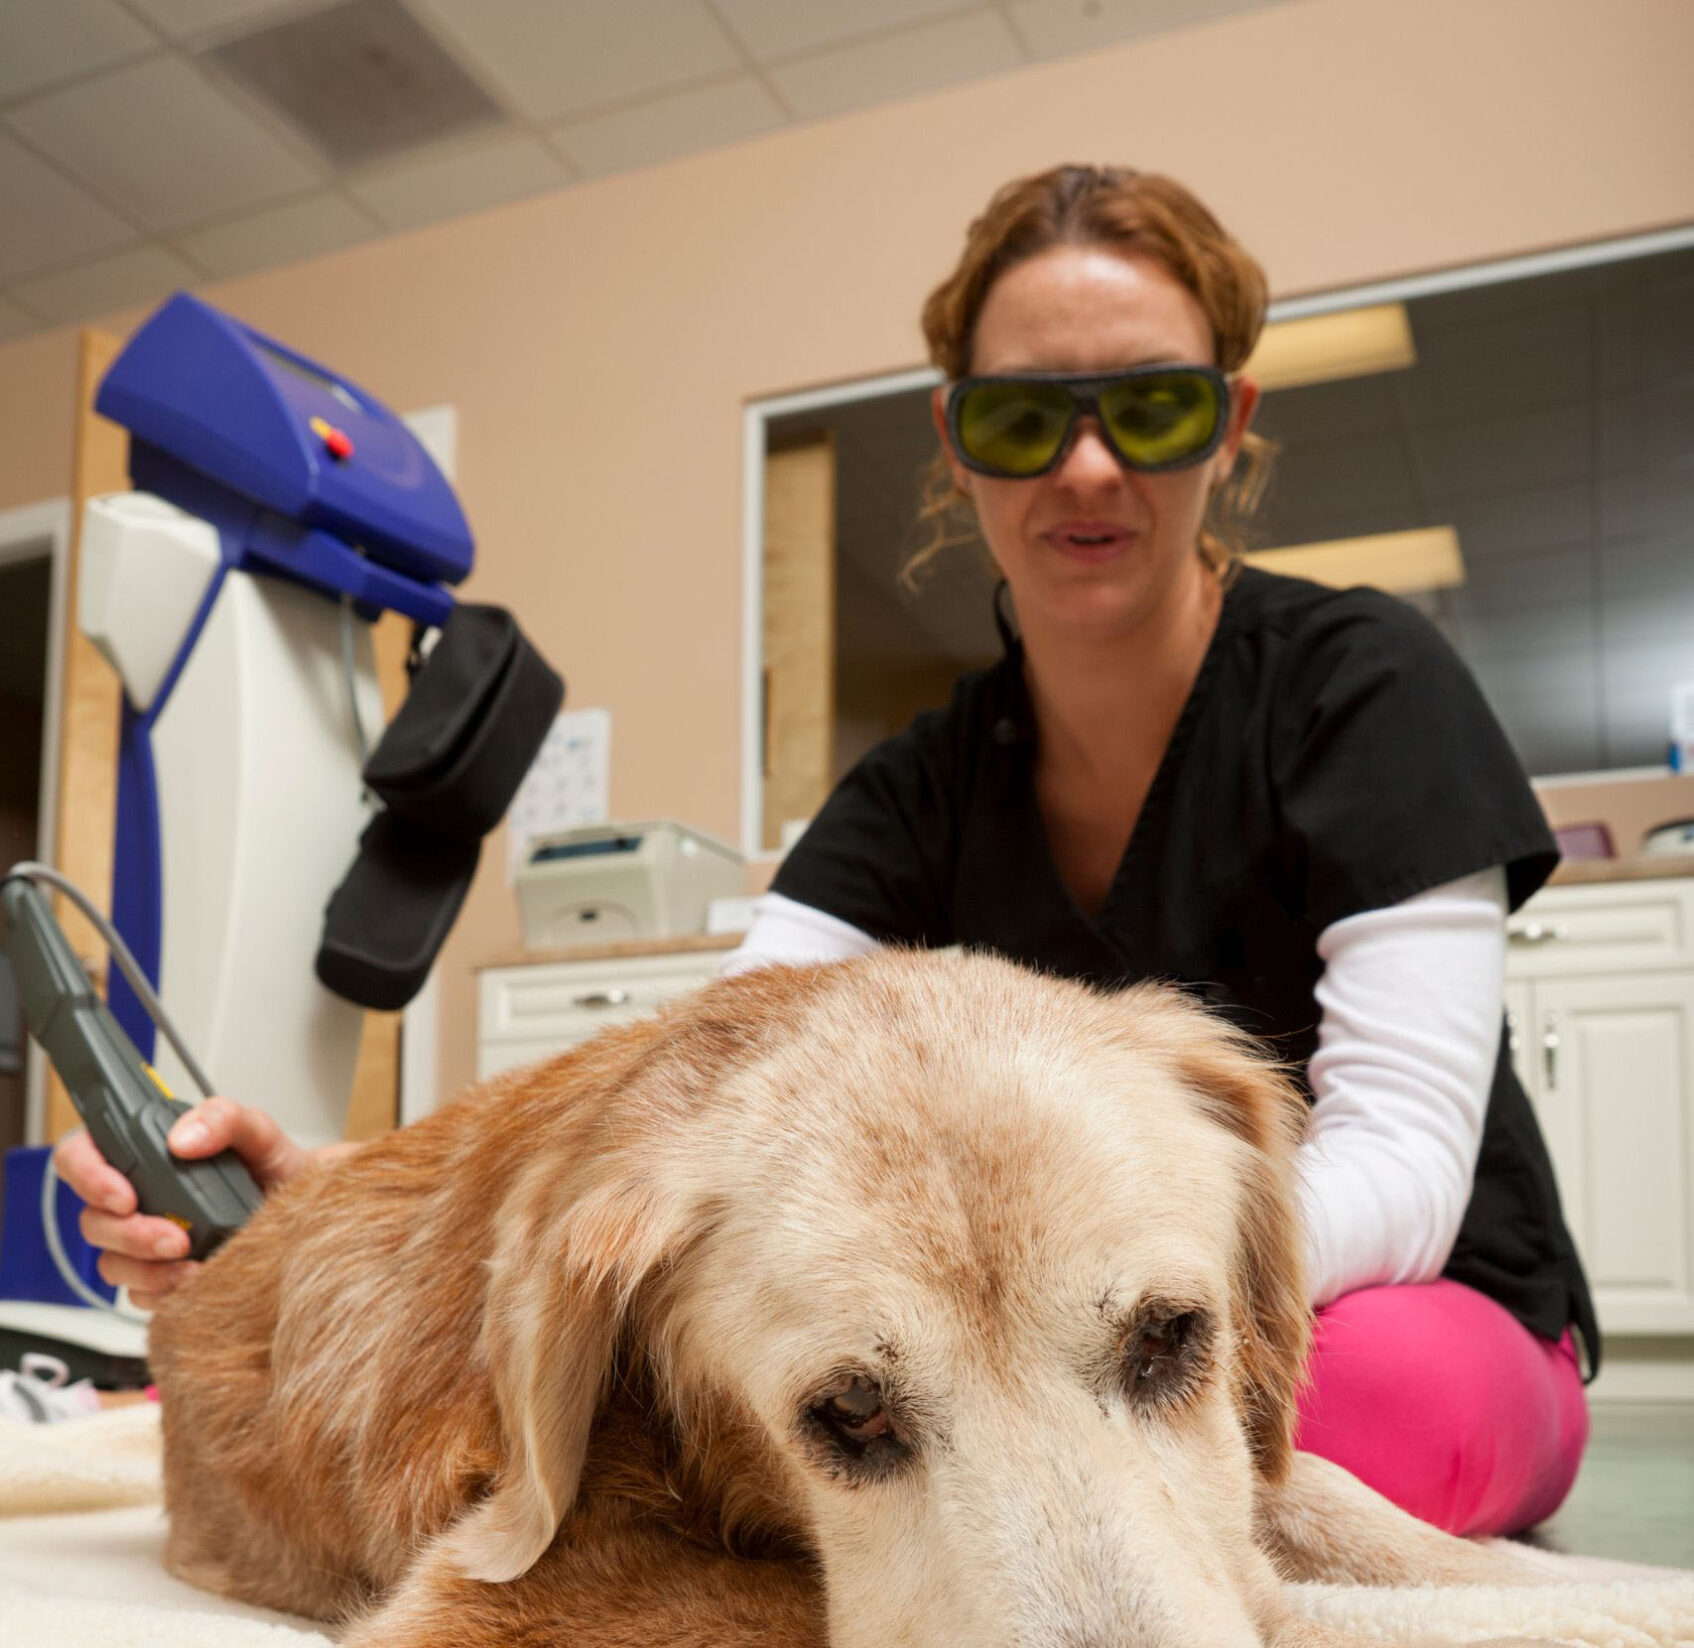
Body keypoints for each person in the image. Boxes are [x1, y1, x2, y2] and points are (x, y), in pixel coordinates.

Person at [58, 164, 1594, 1540]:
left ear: (1230, 421)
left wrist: (1122, 1301)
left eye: (1152, 406)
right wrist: (348, 1200)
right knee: (717, 1403)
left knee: (1339, 1421)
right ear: (955, 442)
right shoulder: (920, 784)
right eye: (1018, 418)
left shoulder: (1363, 686)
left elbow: (1397, 1158)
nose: (1082, 469)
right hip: (1032, 1345)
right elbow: (685, 1090)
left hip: (1385, 1306)